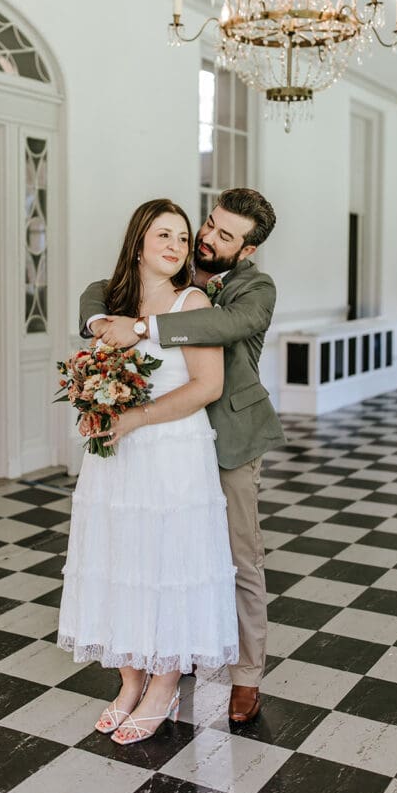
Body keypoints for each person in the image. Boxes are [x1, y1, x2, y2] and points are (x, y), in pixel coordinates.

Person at [81, 187, 284, 723]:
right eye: (210, 224)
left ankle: (246, 676)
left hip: (229, 436)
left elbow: (223, 325)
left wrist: (140, 328)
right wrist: (99, 323)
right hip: (165, 443)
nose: (207, 237)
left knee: (237, 558)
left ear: (247, 250)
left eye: (224, 235)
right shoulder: (179, 264)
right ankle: (171, 652)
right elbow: (102, 289)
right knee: (162, 551)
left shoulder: (255, 288)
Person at [58, 198, 238, 745]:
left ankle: (163, 687)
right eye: (164, 235)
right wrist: (94, 404)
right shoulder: (112, 304)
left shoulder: (193, 301)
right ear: (138, 242)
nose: (176, 246)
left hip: (172, 451)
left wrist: (137, 417)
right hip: (118, 458)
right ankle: (130, 681)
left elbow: (207, 386)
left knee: (166, 564)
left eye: (183, 238)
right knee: (120, 560)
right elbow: (99, 360)